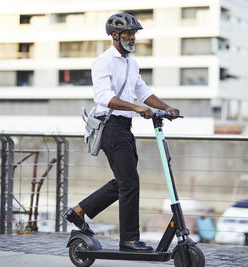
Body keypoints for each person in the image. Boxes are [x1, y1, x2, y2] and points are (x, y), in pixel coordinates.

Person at [65, 12, 180, 252]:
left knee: (124, 181)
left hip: (124, 127)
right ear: (114, 35)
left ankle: (78, 211)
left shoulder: (131, 62)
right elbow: (103, 97)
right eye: (128, 33)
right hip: (109, 126)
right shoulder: (103, 61)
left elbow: (143, 90)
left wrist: (165, 107)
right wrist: (137, 107)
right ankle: (128, 240)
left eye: (134, 33)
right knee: (129, 183)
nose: (132, 37)